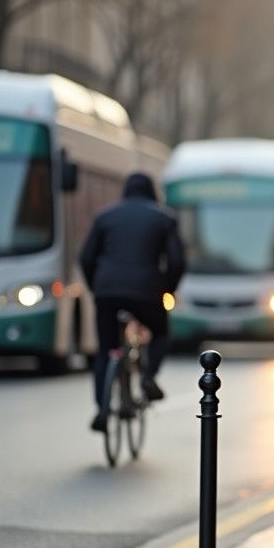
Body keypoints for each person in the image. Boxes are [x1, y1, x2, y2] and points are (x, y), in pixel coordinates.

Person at [79, 173, 186, 432]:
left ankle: (101, 409)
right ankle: (149, 378)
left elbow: (85, 258)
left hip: (107, 291)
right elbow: (177, 262)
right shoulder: (165, 218)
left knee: (106, 350)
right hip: (147, 291)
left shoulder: (104, 216)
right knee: (160, 333)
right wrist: (166, 289)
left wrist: (97, 288)